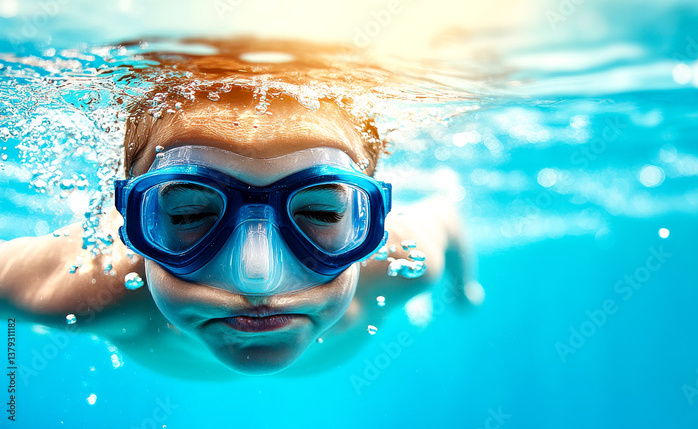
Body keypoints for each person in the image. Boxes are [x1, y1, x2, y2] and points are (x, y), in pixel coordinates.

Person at [0, 39, 480, 378]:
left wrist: (464, 285)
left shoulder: (404, 263)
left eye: (322, 214)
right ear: (131, 226)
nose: (258, 279)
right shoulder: (87, 287)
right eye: (188, 217)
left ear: (369, 222)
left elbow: (447, 220)